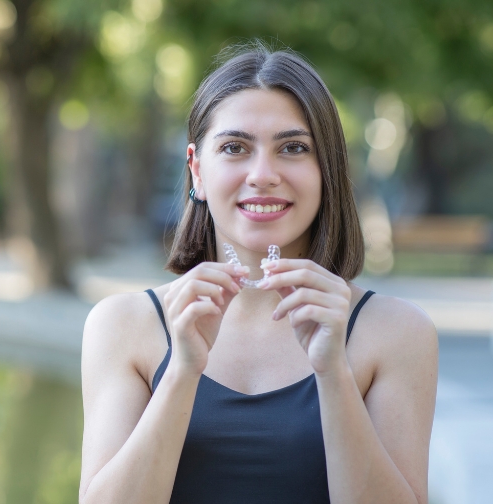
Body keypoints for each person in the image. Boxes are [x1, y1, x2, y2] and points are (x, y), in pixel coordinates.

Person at [78, 44, 438, 504]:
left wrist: (333, 373)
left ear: (327, 170)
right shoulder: (123, 325)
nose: (263, 174)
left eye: (293, 148)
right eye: (234, 148)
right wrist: (182, 371)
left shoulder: (397, 332)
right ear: (197, 170)